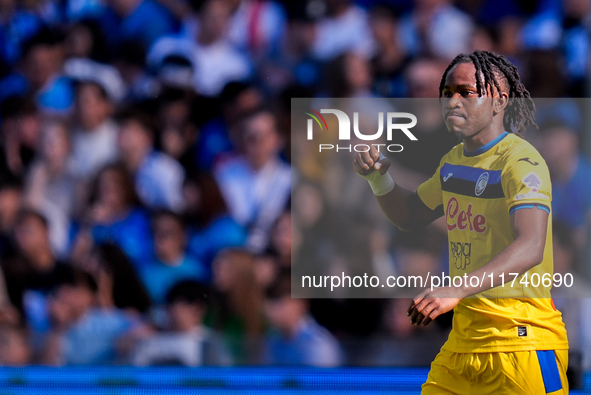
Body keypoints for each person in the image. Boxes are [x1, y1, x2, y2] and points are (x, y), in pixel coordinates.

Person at [354, 50, 568, 394]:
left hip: (521, 342)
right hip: (464, 345)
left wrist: (454, 289)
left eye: (466, 92)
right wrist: (379, 180)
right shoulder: (454, 161)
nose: (453, 101)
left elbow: (530, 246)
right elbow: (410, 215)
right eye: (448, 92)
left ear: (500, 101)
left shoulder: (523, 161)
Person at [131, 279, 231, 366]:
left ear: (198, 308)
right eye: (169, 307)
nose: (170, 311)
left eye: (179, 306)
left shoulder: (209, 342)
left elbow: (222, 377)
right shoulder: (151, 339)